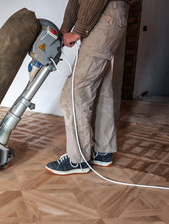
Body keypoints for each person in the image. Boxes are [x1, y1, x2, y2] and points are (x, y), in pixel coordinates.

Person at [45, 0, 129, 175]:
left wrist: (78, 30)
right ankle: (103, 151)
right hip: (110, 16)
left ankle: (78, 160)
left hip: (104, 16)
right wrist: (65, 29)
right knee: (100, 88)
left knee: (74, 93)